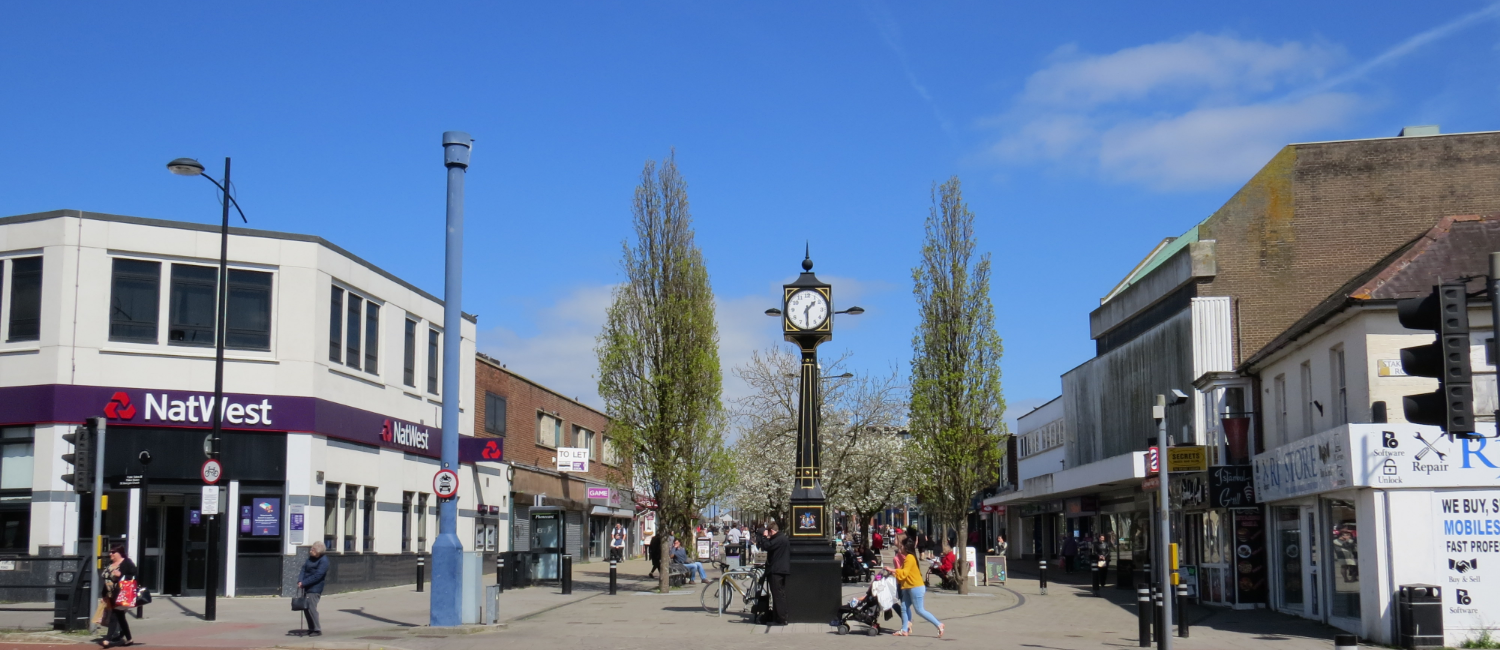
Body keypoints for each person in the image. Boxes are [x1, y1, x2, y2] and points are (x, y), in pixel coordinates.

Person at [892, 538, 943, 637]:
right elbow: (902, 573)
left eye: (902, 546)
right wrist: (893, 572)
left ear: (906, 548)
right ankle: (904, 629)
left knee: (919, 610)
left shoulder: (910, 558)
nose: (900, 547)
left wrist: (892, 570)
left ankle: (939, 624)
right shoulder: (908, 557)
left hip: (916, 587)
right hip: (908, 587)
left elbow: (904, 573)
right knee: (904, 607)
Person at [99, 544, 136, 647]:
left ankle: (107, 640)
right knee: (120, 617)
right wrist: (104, 595)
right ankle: (129, 639)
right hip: (111, 595)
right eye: (110, 552)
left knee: (114, 616)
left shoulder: (127, 562)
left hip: (122, 594)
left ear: (119, 553)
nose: (110, 554)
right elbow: (107, 581)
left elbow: (134, 574)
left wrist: (122, 575)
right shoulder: (110, 564)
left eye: (113, 552)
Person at [758, 520, 790, 625]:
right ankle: (779, 617)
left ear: (772, 531)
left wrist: (764, 537)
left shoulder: (779, 539)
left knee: (778, 594)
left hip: (776, 570)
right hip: (780, 569)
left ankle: (782, 618)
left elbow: (767, 546)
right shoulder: (782, 538)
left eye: (769, 533)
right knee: (779, 593)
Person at [297, 541, 329, 637]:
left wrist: (304, 582)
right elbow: (303, 569)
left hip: (315, 588)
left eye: (313, 549)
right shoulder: (310, 558)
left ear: (319, 551)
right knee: (306, 608)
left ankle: (317, 629)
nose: (311, 551)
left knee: (312, 608)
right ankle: (311, 628)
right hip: (306, 586)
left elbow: (318, 576)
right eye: (311, 549)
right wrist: (300, 580)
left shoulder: (324, 561)